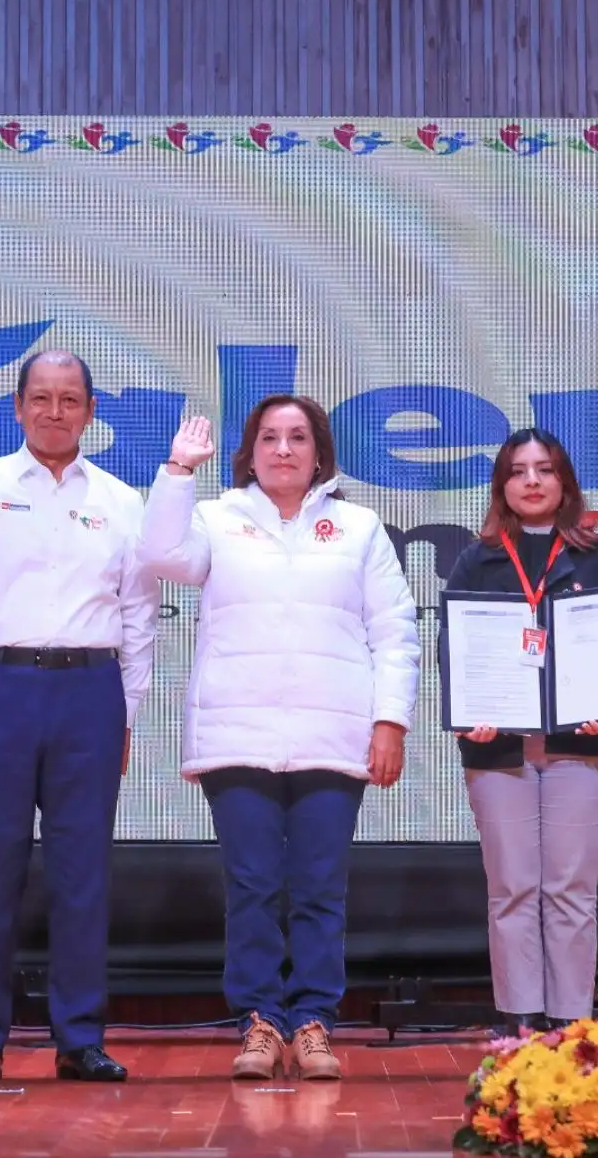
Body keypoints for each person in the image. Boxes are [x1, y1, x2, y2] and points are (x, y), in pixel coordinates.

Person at [136, 399, 420, 1080]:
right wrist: (178, 471)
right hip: (239, 734)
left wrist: (390, 721)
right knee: (253, 885)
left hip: (333, 733)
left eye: (297, 438)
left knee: (321, 887)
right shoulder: (215, 516)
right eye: (269, 437)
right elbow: (158, 554)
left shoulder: (358, 527)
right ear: (250, 450)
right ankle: (260, 1021)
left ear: (319, 451)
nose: (283, 449)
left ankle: (315, 1019)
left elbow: (395, 630)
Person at [0, 351, 159, 1083]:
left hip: (90, 694)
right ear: (17, 408)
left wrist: (127, 714)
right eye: (41, 398)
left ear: (89, 411)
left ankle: (80, 1035)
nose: (54, 411)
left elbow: (140, 617)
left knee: (83, 873)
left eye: (70, 399)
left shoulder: (122, 498)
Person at [439, 428, 598, 1034]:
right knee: (514, 888)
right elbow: (456, 651)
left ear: (564, 483)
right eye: (518, 471)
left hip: (582, 746)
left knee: (572, 888)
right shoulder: (477, 559)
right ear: (502, 486)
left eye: (544, 470)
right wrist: (468, 714)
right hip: (498, 752)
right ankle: (520, 1016)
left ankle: (571, 1021)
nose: (531, 481)